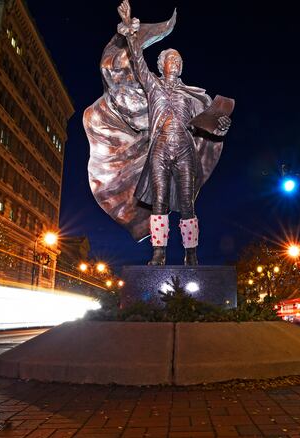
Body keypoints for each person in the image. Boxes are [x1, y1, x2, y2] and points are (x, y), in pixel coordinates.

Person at [117, 0, 231, 265]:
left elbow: (208, 123)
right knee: (159, 201)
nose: (176, 63)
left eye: (179, 60)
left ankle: (191, 253)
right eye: (171, 59)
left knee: (188, 204)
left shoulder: (191, 95)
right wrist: (130, 30)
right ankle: (159, 253)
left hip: (184, 150)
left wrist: (221, 125)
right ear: (162, 65)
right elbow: (136, 60)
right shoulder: (152, 86)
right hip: (159, 149)